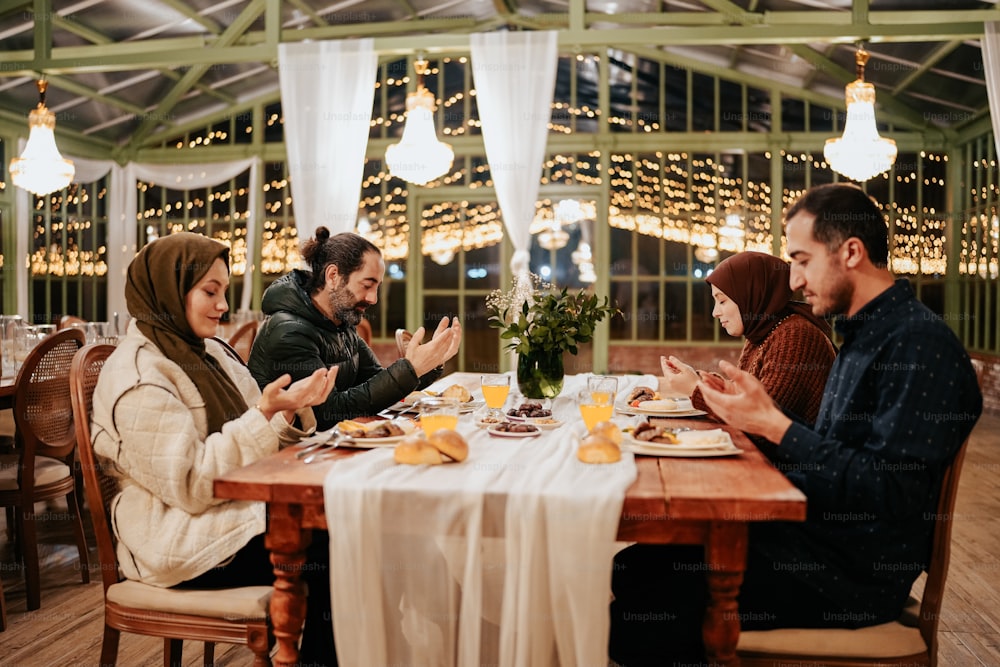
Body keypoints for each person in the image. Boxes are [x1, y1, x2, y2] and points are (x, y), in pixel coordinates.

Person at [610, 183, 983, 665]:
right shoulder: (865, 336)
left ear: (851, 252)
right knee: (634, 568)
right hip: (817, 540)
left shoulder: (916, 345)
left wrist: (774, 426)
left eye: (802, 260)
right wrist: (763, 417)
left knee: (639, 621)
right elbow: (831, 451)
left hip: (848, 575)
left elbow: (889, 491)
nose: (794, 280)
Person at [90, 233, 340, 665]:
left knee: (344, 530)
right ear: (168, 290)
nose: (223, 305)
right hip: (173, 538)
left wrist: (289, 410)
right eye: (210, 291)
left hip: (223, 513)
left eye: (223, 291)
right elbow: (190, 484)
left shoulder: (211, 353)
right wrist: (262, 414)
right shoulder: (137, 376)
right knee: (331, 543)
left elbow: (255, 443)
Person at [249, 228, 462, 430]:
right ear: (333, 276)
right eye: (367, 285)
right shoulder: (288, 331)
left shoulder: (340, 323)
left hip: (331, 447)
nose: (373, 298)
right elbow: (327, 413)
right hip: (289, 456)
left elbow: (376, 385)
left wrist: (431, 361)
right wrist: (411, 368)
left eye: (377, 287)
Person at [659, 250, 836, 425]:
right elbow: (744, 395)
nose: (715, 312)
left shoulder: (795, 336)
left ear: (752, 293)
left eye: (722, 301)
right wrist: (698, 380)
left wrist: (695, 389)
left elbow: (760, 421)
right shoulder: (762, 331)